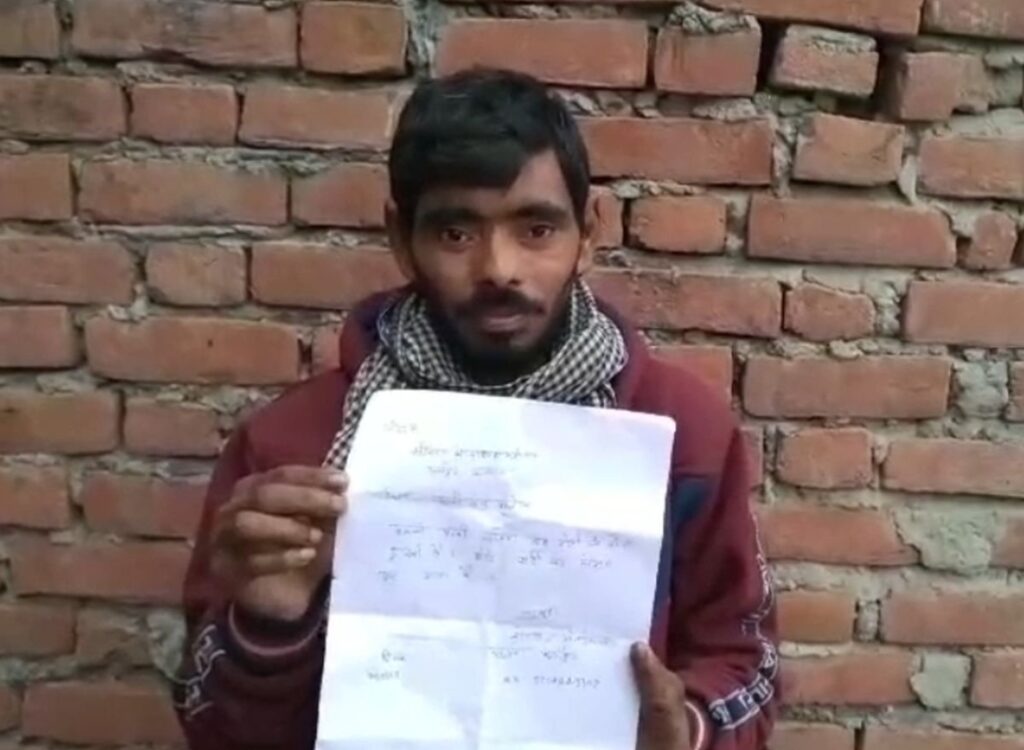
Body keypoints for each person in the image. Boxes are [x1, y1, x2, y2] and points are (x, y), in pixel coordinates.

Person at [175, 68, 778, 750]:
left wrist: (687, 729)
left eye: (537, 229)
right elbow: (208, 721)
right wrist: (266, 630)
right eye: (456, 234)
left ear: (588, 233)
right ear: (401, 238)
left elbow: (746, 661)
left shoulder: (681, 435)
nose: (498, 268)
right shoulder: (288, 452)